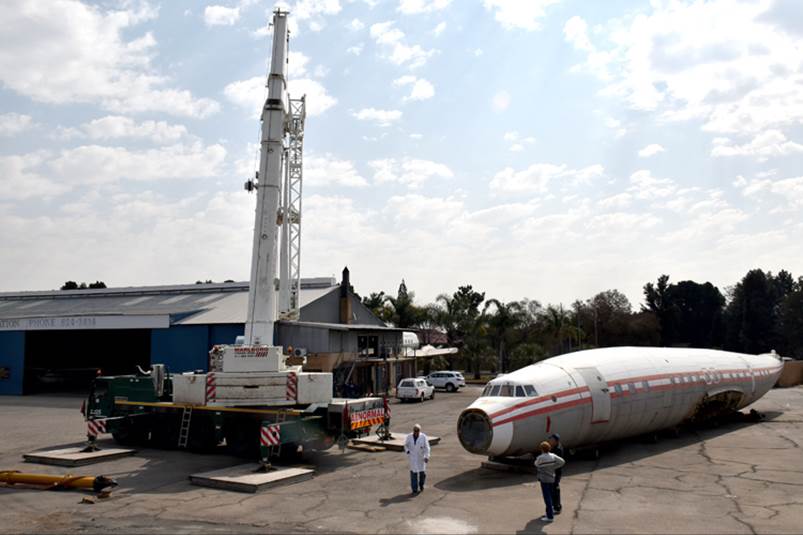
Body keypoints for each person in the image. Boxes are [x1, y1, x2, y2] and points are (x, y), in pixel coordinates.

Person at [535, 440, 565, 522]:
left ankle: (550, 516)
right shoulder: (553, 456)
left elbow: (536, 464)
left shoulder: (540, 458)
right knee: (551, 496)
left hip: (544, 479)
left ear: (542, 449)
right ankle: (550, 512)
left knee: (547, 497)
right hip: (552, 478)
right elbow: (562, 462)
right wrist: (554, 467)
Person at [404, 423, 430, 495]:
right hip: (413, 458)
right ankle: (414, 489)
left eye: (417, 431)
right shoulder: (409, 436)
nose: (416, 432)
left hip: (421, 458)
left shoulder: (423, 437)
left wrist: (427, 457)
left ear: (419, 431)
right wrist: (407, 451)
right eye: (415, 431)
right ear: (413, 431)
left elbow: (427, 448)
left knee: (422, 474)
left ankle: (421, 485)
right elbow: (405, 445)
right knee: (413, 474)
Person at [547, 433, 564, 514]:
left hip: (556, 473)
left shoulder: (558, 450)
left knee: (555, 489)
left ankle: (557, 507)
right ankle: (555, 506)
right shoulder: (553, 447)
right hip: (552, 473)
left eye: (552, 440)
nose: (550, 441)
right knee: (552, 490)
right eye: (550, 440)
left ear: (556, 441)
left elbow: (558, 462)